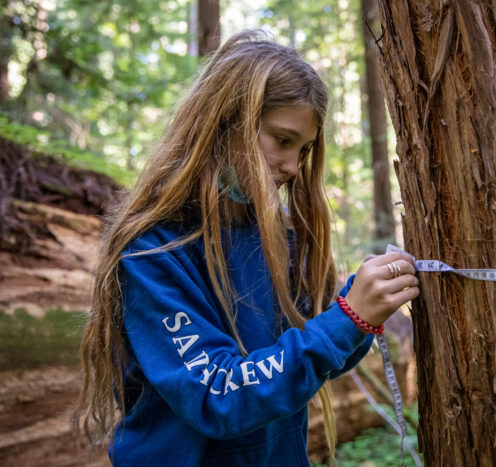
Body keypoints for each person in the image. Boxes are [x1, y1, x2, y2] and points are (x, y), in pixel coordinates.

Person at [75, 30, 420, 466]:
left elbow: (308, 359)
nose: (294, 167)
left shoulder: (279, 237)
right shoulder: (154, 251)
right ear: (224, 122)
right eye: (282, 139)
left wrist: (357, 311)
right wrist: (346, 320)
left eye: (305, 148)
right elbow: (217, 395)